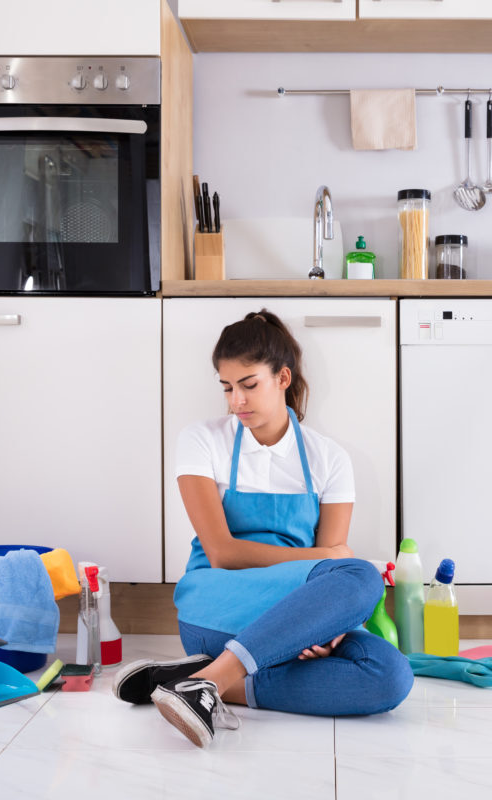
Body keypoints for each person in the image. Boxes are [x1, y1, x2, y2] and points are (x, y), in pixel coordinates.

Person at [113, 309, 413, 748]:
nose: (237, 401)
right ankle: (214, 679)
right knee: (359, 572)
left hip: (292, 608)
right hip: (215, 602)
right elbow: (223, 553)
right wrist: (322, 575)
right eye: (228, 387)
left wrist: (324, 624)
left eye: (249, 385)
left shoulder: (329, 459)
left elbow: (331, 566)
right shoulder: (202, 442)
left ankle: (199, 679)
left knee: (390, 676)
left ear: (283, 379)